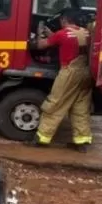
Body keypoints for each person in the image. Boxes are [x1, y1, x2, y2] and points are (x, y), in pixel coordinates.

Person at [28, 8, 93, 152]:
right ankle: (81, 141)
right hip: (85, 72)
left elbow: (41, 45)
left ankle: (42, 138)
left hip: (69, 73)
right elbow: (69, 41)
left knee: (55, 104)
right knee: (80, 108)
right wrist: (52, 35)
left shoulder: (62, 34)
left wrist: (36, 37)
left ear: (64, 20)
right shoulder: (85, 32)